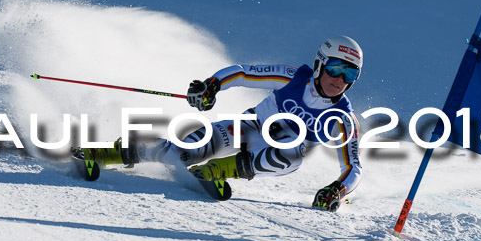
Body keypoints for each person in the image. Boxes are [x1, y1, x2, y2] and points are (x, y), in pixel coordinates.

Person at [80, 36, 362, 212]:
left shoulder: (342, 118)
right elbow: (243, 73)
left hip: (274, 155)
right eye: (336, 68)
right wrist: (212, 85)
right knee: (182, 152)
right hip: (248, 127)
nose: (340, 79)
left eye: (350, 73)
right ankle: (107, 152)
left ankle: (219, 170)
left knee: (292, 155)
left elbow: (352, 167)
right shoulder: (294, 77)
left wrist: (337, 189)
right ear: (320, 64)